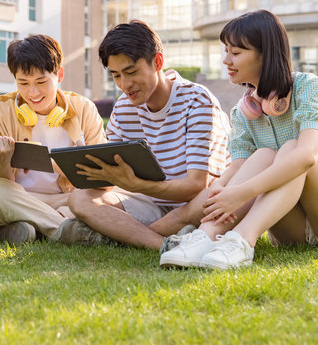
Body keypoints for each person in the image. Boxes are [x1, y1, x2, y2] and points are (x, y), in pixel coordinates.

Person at [159, 10, 318, 269]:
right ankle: (205, 237)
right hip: (294, 231)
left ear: (264, 54)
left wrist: (241, 193)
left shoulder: (310, 88)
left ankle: (242, 242)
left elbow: (307, 156)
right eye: (226, 52)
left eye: (236, 52)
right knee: (263, 156)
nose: (226, 60)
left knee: (292, 149)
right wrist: (220, 194)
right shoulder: (242, 112)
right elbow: (237, 169)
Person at [54, 20, 231, 249]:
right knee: (79, 198)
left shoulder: (197, 101)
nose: (125, 84)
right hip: (147, 203)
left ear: (157, 62)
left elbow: (196, 186)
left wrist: (136, 185)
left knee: (209, 198)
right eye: (116, 75)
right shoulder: (124, 107)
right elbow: (111, 182)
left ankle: (122, 235)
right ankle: (163, 244)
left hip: (192, 205)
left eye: (131, 72)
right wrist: (94, 168)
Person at [0, 34, 106, 243]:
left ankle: (20, 228)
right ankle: (65, 229)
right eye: (23, 83)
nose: (32, 92)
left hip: (65, 198)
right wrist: (2, 163)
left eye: (41, 82)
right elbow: (1, 185)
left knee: (98, 199)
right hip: (16, 198)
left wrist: (59, 162)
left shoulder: (83, 108)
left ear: (59, 74)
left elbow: (102, 180)